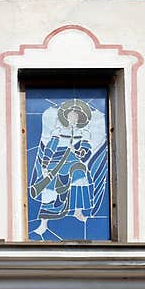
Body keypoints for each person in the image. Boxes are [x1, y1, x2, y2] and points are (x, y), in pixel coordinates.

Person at [28, 99, 107, 238]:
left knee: (81, 175)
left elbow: (86, 148)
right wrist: (45, 163)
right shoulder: (58, 130)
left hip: (73, 160)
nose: (73, 118)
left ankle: (78, 211)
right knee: (49, 189)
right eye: (70, 116)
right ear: (66, 117)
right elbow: (51, 146)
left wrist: (81, 152)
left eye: (76, 116)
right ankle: (43, 223)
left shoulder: (83, 132)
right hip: (58, 160)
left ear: (79, 119)